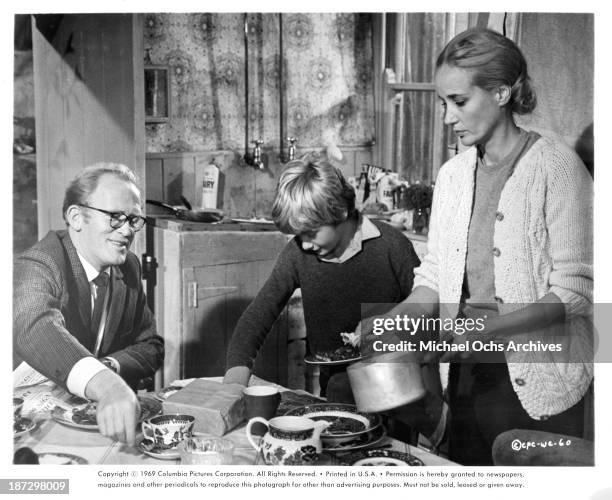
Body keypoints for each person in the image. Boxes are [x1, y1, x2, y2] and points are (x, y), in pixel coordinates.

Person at [360, 27, 593, 465]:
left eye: (459, 102)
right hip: (466, 371)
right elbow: (434, 277)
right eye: (443, 103)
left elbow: (576, 292)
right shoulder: (452, 176)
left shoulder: (558, 168)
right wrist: (395, 320)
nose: (448, 117)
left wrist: (489, 331)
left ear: (502, 92)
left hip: (541, 376)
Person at [223, 158, 421, 399]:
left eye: (311, 232)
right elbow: (257, 318)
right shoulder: (298, 253)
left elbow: (434, 319)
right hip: (336, 391)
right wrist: (234, 383)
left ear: (340, 211)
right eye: (298, 234)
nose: (304, 242)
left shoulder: (392, 246)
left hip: (399, 389)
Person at [13, 163, 164, 446]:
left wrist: (108, 367)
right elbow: (34, 327)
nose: (127, 231)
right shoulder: (40, 262)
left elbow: (151, 346)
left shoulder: (128, 266)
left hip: (81, 423)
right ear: (76, 217)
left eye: (133, 220)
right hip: (23, 427)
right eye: (116, 217)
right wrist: (105, 384)